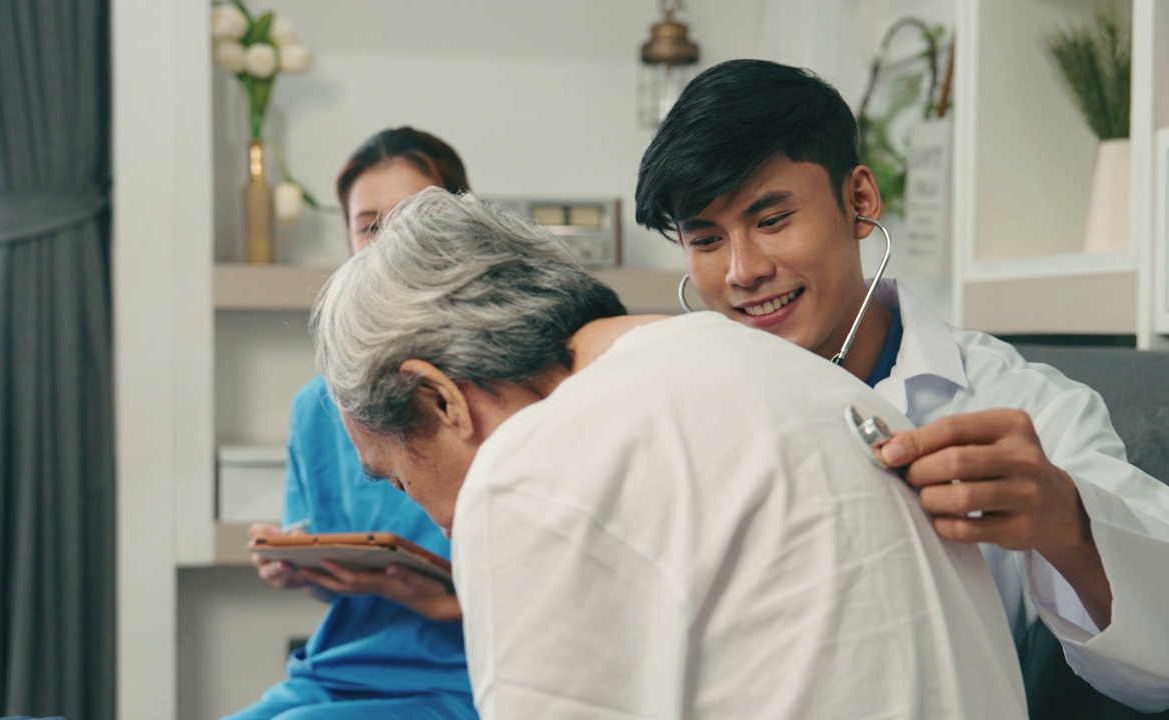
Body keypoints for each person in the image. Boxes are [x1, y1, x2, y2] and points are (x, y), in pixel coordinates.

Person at [309, 187, 1028, 719]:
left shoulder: (526, 471)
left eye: (400, 481)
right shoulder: (795, 372)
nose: (433, 522)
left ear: (438, 398)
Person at [634, 58, 1169, 713]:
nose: (743, 271)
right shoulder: (670, 405)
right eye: (708, 238)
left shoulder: (1015, 403)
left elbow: (1160, 661)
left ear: (859, 201)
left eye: (772, 220)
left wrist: (1066, 522)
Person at [226, 128, 478, 720]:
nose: (389, 245)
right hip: (334, 671)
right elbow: (331, 583)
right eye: (369, 226)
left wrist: (437, 598)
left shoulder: (504, 386)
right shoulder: (316, 407)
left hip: (464, 678)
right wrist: (299, 566)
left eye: (413, 219)